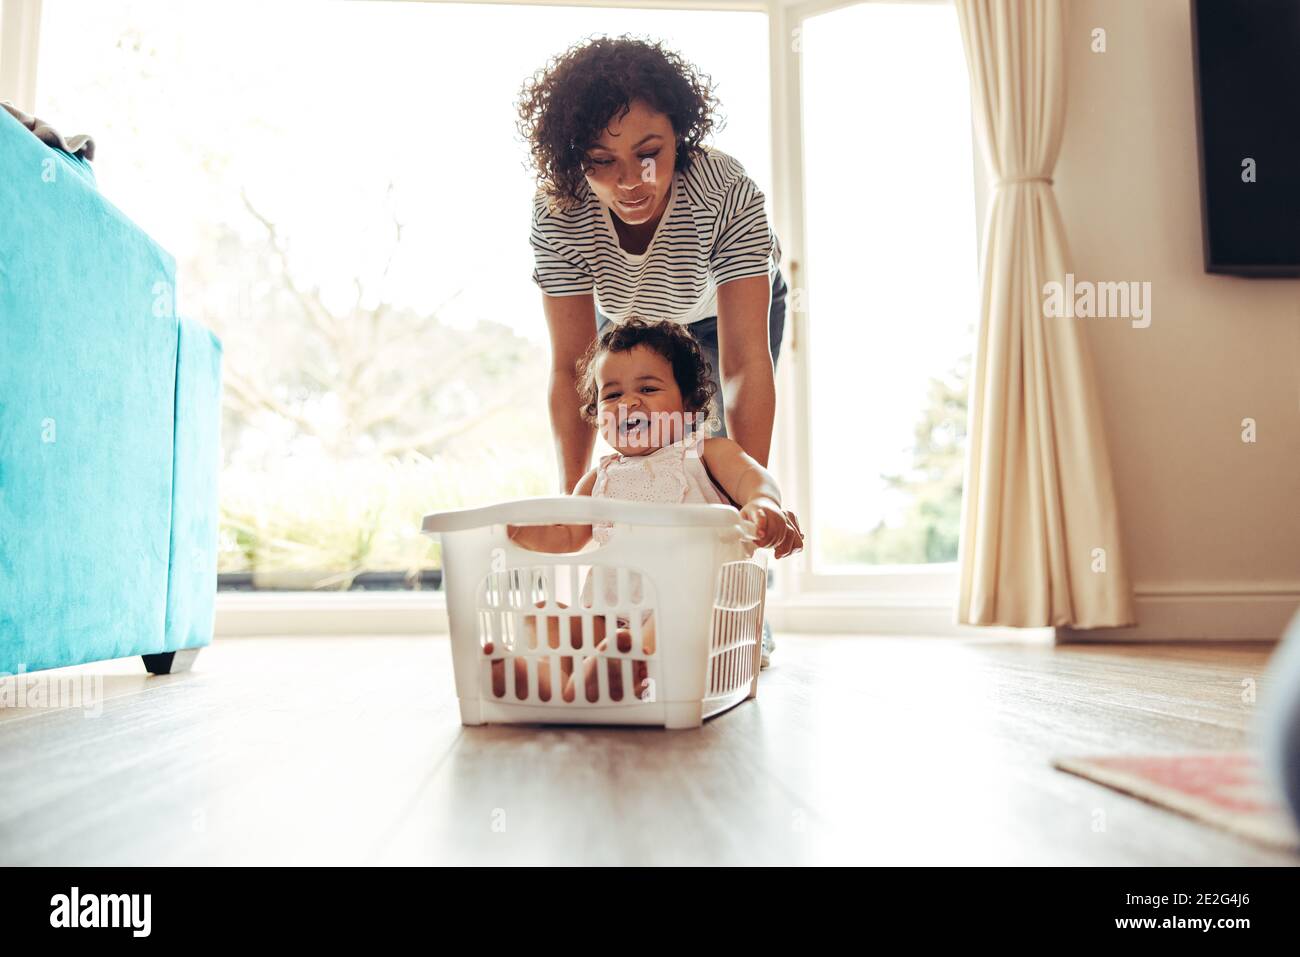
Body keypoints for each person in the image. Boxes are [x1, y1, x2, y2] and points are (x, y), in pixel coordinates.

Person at [517, 35, 805, 664]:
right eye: (601, 160)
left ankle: (735, 608)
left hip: (718, 317)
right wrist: (579, 507)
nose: (629, 181)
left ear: (681, 134)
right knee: (626, 466)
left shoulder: (725, 191)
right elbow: (573, 368)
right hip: (627, 320)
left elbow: (744, 365)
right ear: (574, 161)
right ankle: (623, 628)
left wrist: (743, 515)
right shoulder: (558, 213)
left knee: (704, 463)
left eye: (649, 154)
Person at [501, 318, 799, 702]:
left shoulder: (706, 453)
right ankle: (558, 683)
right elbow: (566, 534)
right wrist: (516, 531)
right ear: (597, 413)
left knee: (676, 613)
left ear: (689, 403)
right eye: (611, 395)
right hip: (611, 624)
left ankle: (611, 672)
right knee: (543, 615)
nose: (628, 402)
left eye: (647, 388)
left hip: (689, 623)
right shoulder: (598, 479)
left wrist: (763, 504)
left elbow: (753, 479)